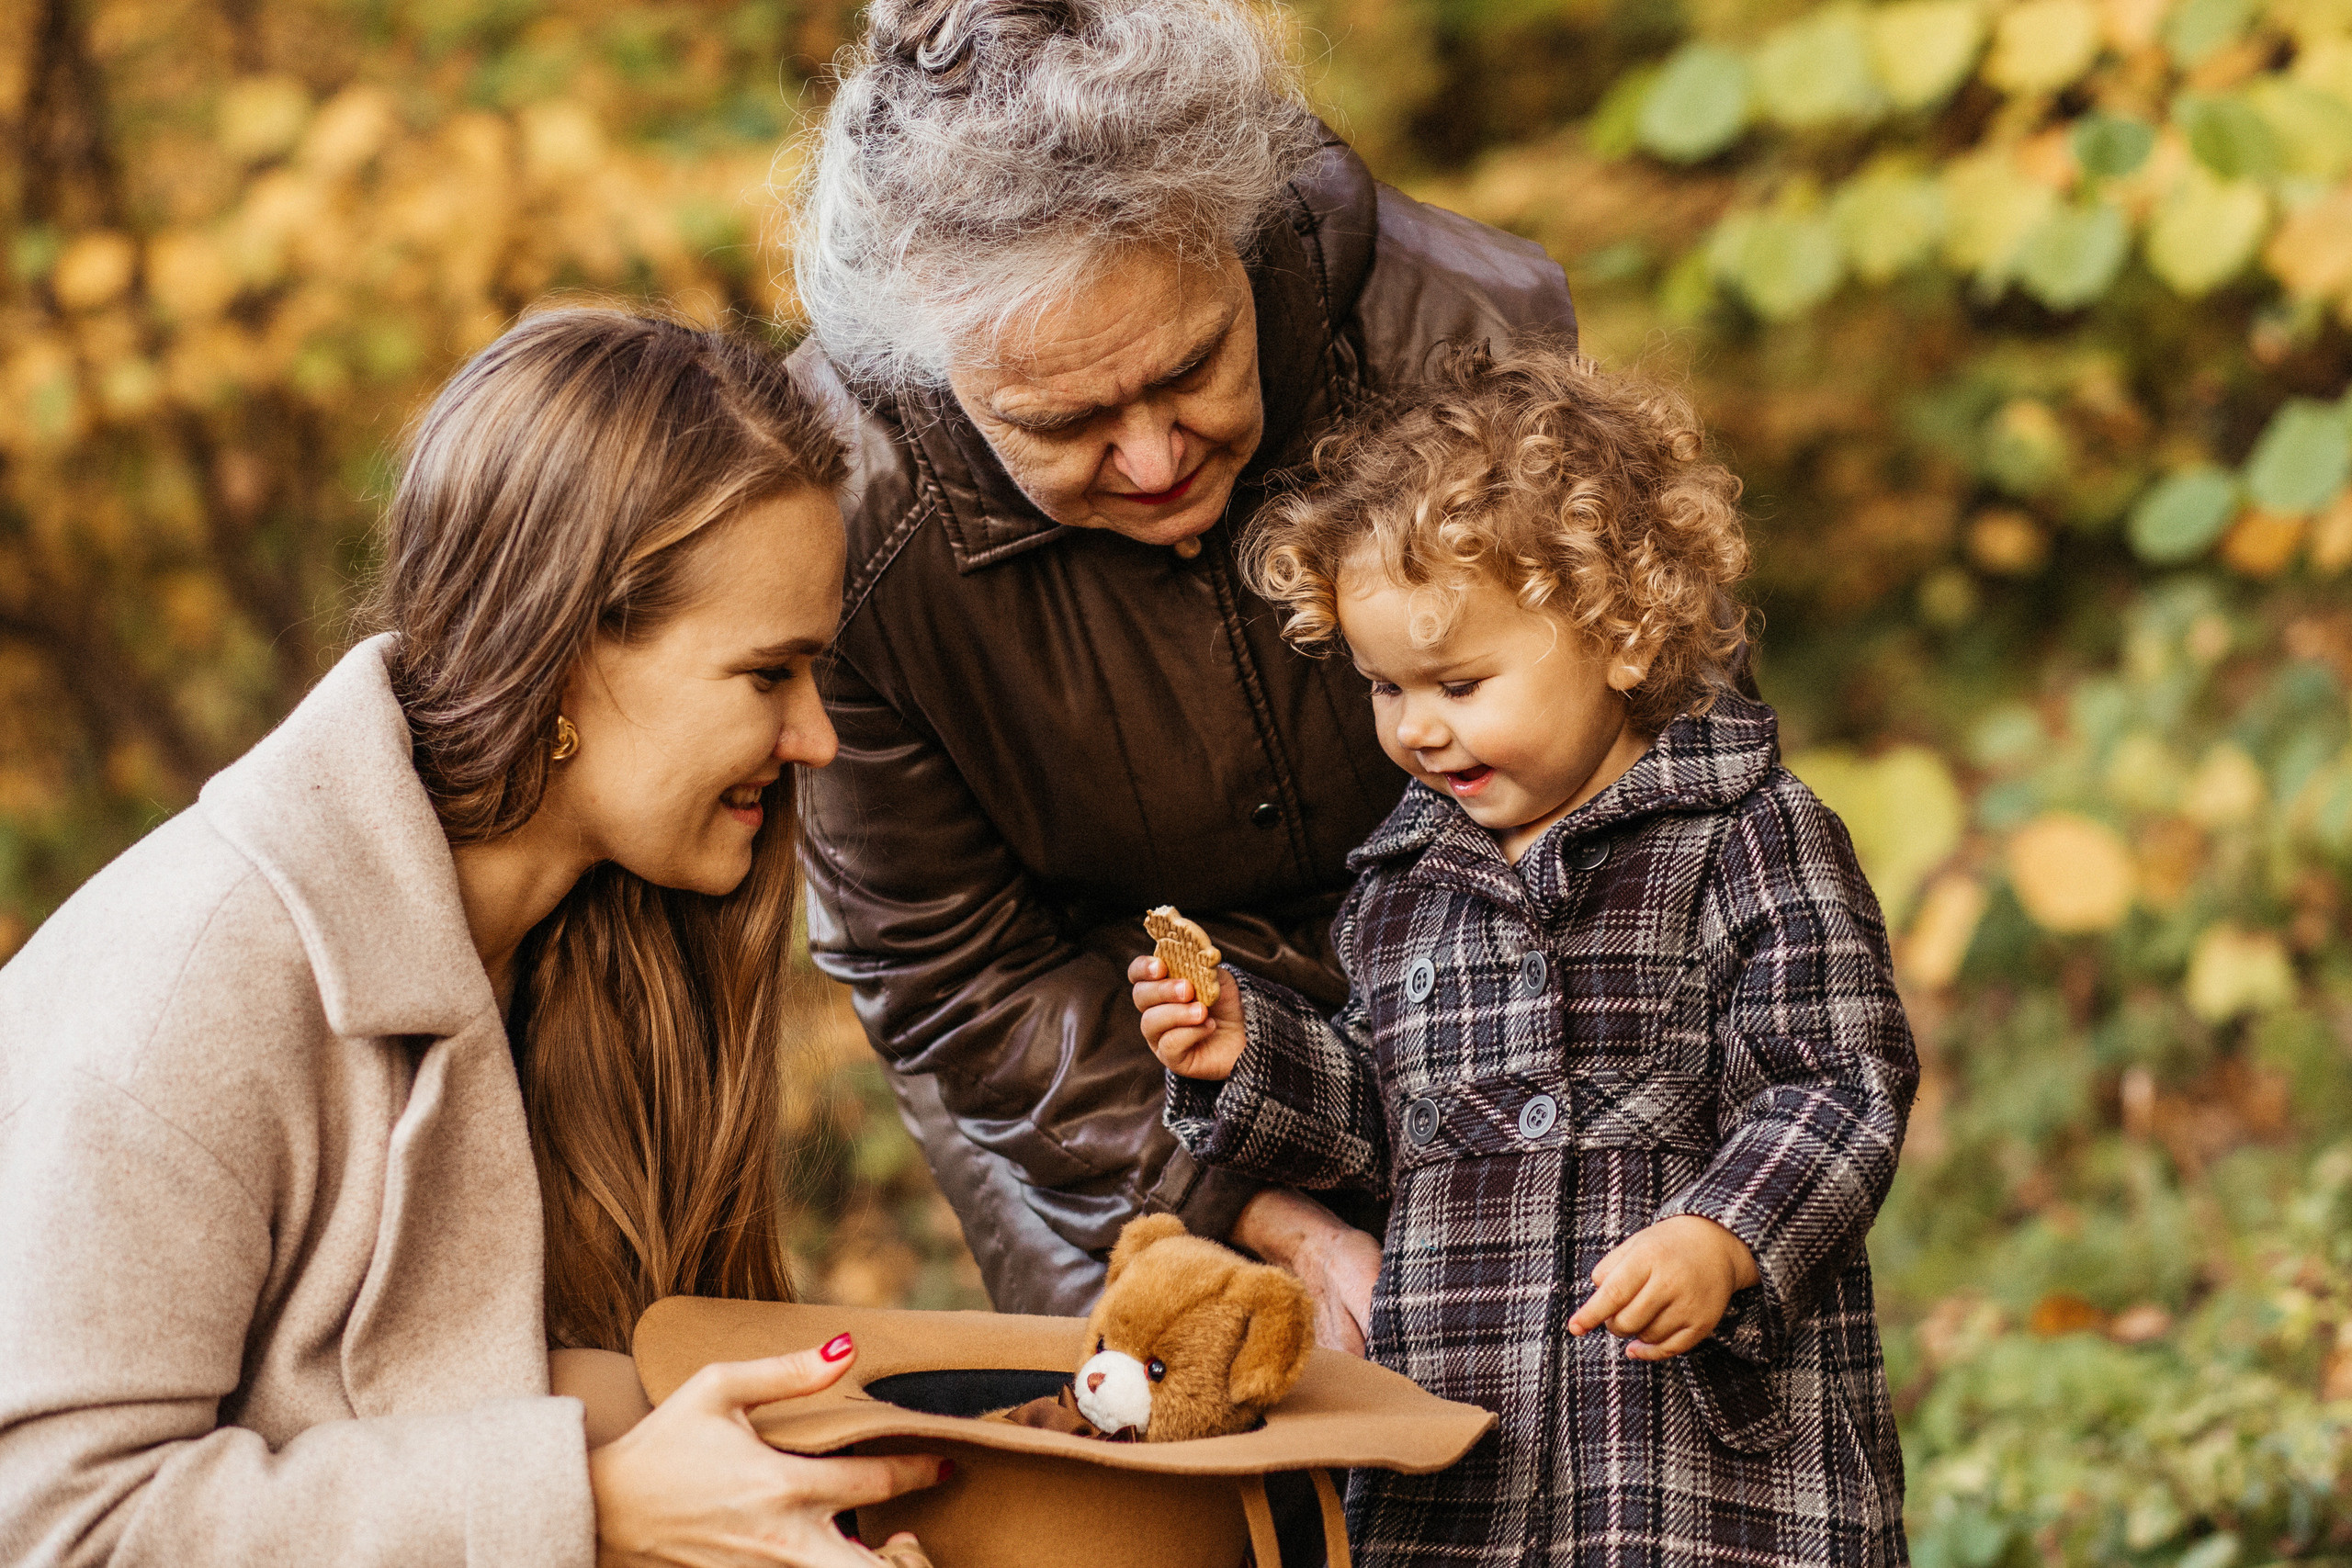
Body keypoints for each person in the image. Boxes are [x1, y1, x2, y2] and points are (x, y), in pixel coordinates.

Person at [0, 308, 942, 1568]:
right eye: (769, 674)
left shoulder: (597, 941)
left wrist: (841, 1479)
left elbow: (487, 1387)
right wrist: (594, 1510)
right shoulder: (194, 982)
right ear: (565, 657)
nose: (818, 737)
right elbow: (56, 1525)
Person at [791, 0, 1580, 1326]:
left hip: (1497, 981)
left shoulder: (1465, 335)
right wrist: (1246, 1212)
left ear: (1242, 232)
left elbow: (1658, 782)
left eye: (1194, 365)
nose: (1156, 460)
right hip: (1096, 1085)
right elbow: (955, 976)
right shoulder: (833, 519)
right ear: (934, 369)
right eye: (1065, 422)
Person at [1131, 345, 1917, 1566]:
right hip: (1468, 1438)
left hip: (1693, 1456)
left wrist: (1724, 1236)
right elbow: (1384, 1119)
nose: (1418, 727)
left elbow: (1836, 1082)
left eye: (1459, 682)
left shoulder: (1747, 835)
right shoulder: (1405, 885)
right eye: (1385, 688)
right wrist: (1252, 1055)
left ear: (1622, 636)